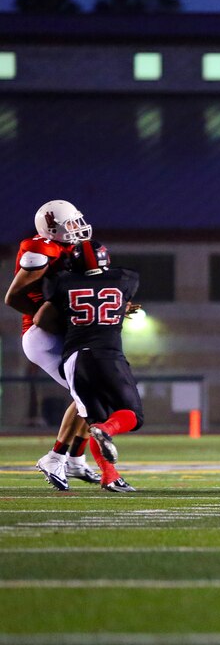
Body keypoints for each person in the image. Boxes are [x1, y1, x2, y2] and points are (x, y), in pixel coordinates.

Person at [5, 199, 101, 490]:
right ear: (51, 229)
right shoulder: (40, 249)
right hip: (42, 335)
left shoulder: (68, 248)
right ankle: (57, 457)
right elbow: (14, 297)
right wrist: (47, 318)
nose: (77, 228)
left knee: (96, 393)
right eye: (69, 224)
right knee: (89, 393)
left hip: (59, 330)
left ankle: (74, 460)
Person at [33, 240, 142, 493]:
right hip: (107, 354)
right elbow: (109, 298)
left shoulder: (62, 282)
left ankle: (110, 476)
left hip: (74, 358)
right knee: (132, 416)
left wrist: (76, 324)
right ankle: (105, 431)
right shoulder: (125, 279)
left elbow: (40, 318)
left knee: (94, 418)